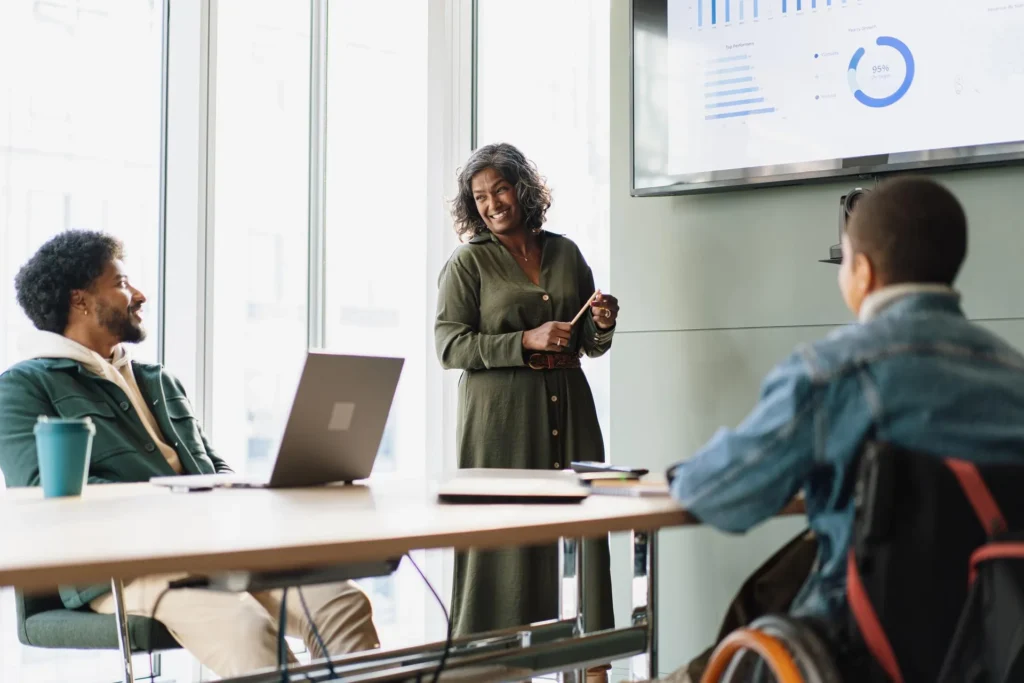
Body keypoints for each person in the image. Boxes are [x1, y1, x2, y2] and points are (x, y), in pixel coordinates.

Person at [665, 176, 1024, 680]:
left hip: (852, 653)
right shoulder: (1014, 374)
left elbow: (724, 495)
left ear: (863, 269)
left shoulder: (834, 372)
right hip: (989, 651)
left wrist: (679, 474)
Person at [0, 230, 380, 678]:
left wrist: (244, 488)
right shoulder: (23, 387)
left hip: (218, 551)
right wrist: (178, 503)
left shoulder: (157, 380)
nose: (138, 294)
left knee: (343, 603)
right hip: (123, 568)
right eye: (121, 284)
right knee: (244, 627)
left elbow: (209, 465)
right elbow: (47, 495)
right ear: (80, 301)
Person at [434, 143, 619, 647]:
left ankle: (592, 661)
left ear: (522, 189)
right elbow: (449, 345)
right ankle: (494, 662)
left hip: (572, 408)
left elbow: (590, 346)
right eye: (480, 197)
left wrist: (602, 323)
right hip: (500, 421)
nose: (492, 203)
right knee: (504, 539)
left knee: (584, 531)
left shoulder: (566, 253)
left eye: (501, 189)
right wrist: (525, 340)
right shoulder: (468, 264)